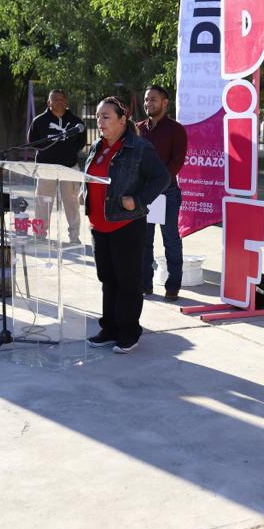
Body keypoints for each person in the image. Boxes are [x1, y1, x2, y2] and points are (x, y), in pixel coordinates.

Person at [84, 97, 170, 354]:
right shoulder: (97, 146)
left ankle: (129, 332)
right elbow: (90, 175)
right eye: (98, 117)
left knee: (127, 281)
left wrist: (140, 200)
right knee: (107, 279)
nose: (100, 122)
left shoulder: (139, 147)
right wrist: (83, 192)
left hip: (125, 225)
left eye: (106, 117)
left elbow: (162, 178)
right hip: (99, 225)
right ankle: (109, 328)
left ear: (123, 120)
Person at [135, 85, 188, 300]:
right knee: (144, 241)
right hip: (143, 195)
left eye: (153, 99)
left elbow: (177, 162)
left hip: (167, 194)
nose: (148, 103)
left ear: (165, 103)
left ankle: (173, 285)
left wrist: (156, 185)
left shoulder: (176, 130)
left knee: (171, 240)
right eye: (147, 99)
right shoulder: (137, 129)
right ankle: (144, 284)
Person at [27, 89, 87, 244]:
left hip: (69, 167)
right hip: (46, 168)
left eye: (62, 99)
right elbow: (33, 141)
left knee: (72, 203)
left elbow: (81, 142)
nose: (59, 102)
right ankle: (39, 235)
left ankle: (74, 237)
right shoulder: (39, 121)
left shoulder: (76, 121)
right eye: (55, 99)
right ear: (49, 103)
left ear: (66, 102)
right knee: (42, 202)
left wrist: (67, 152)